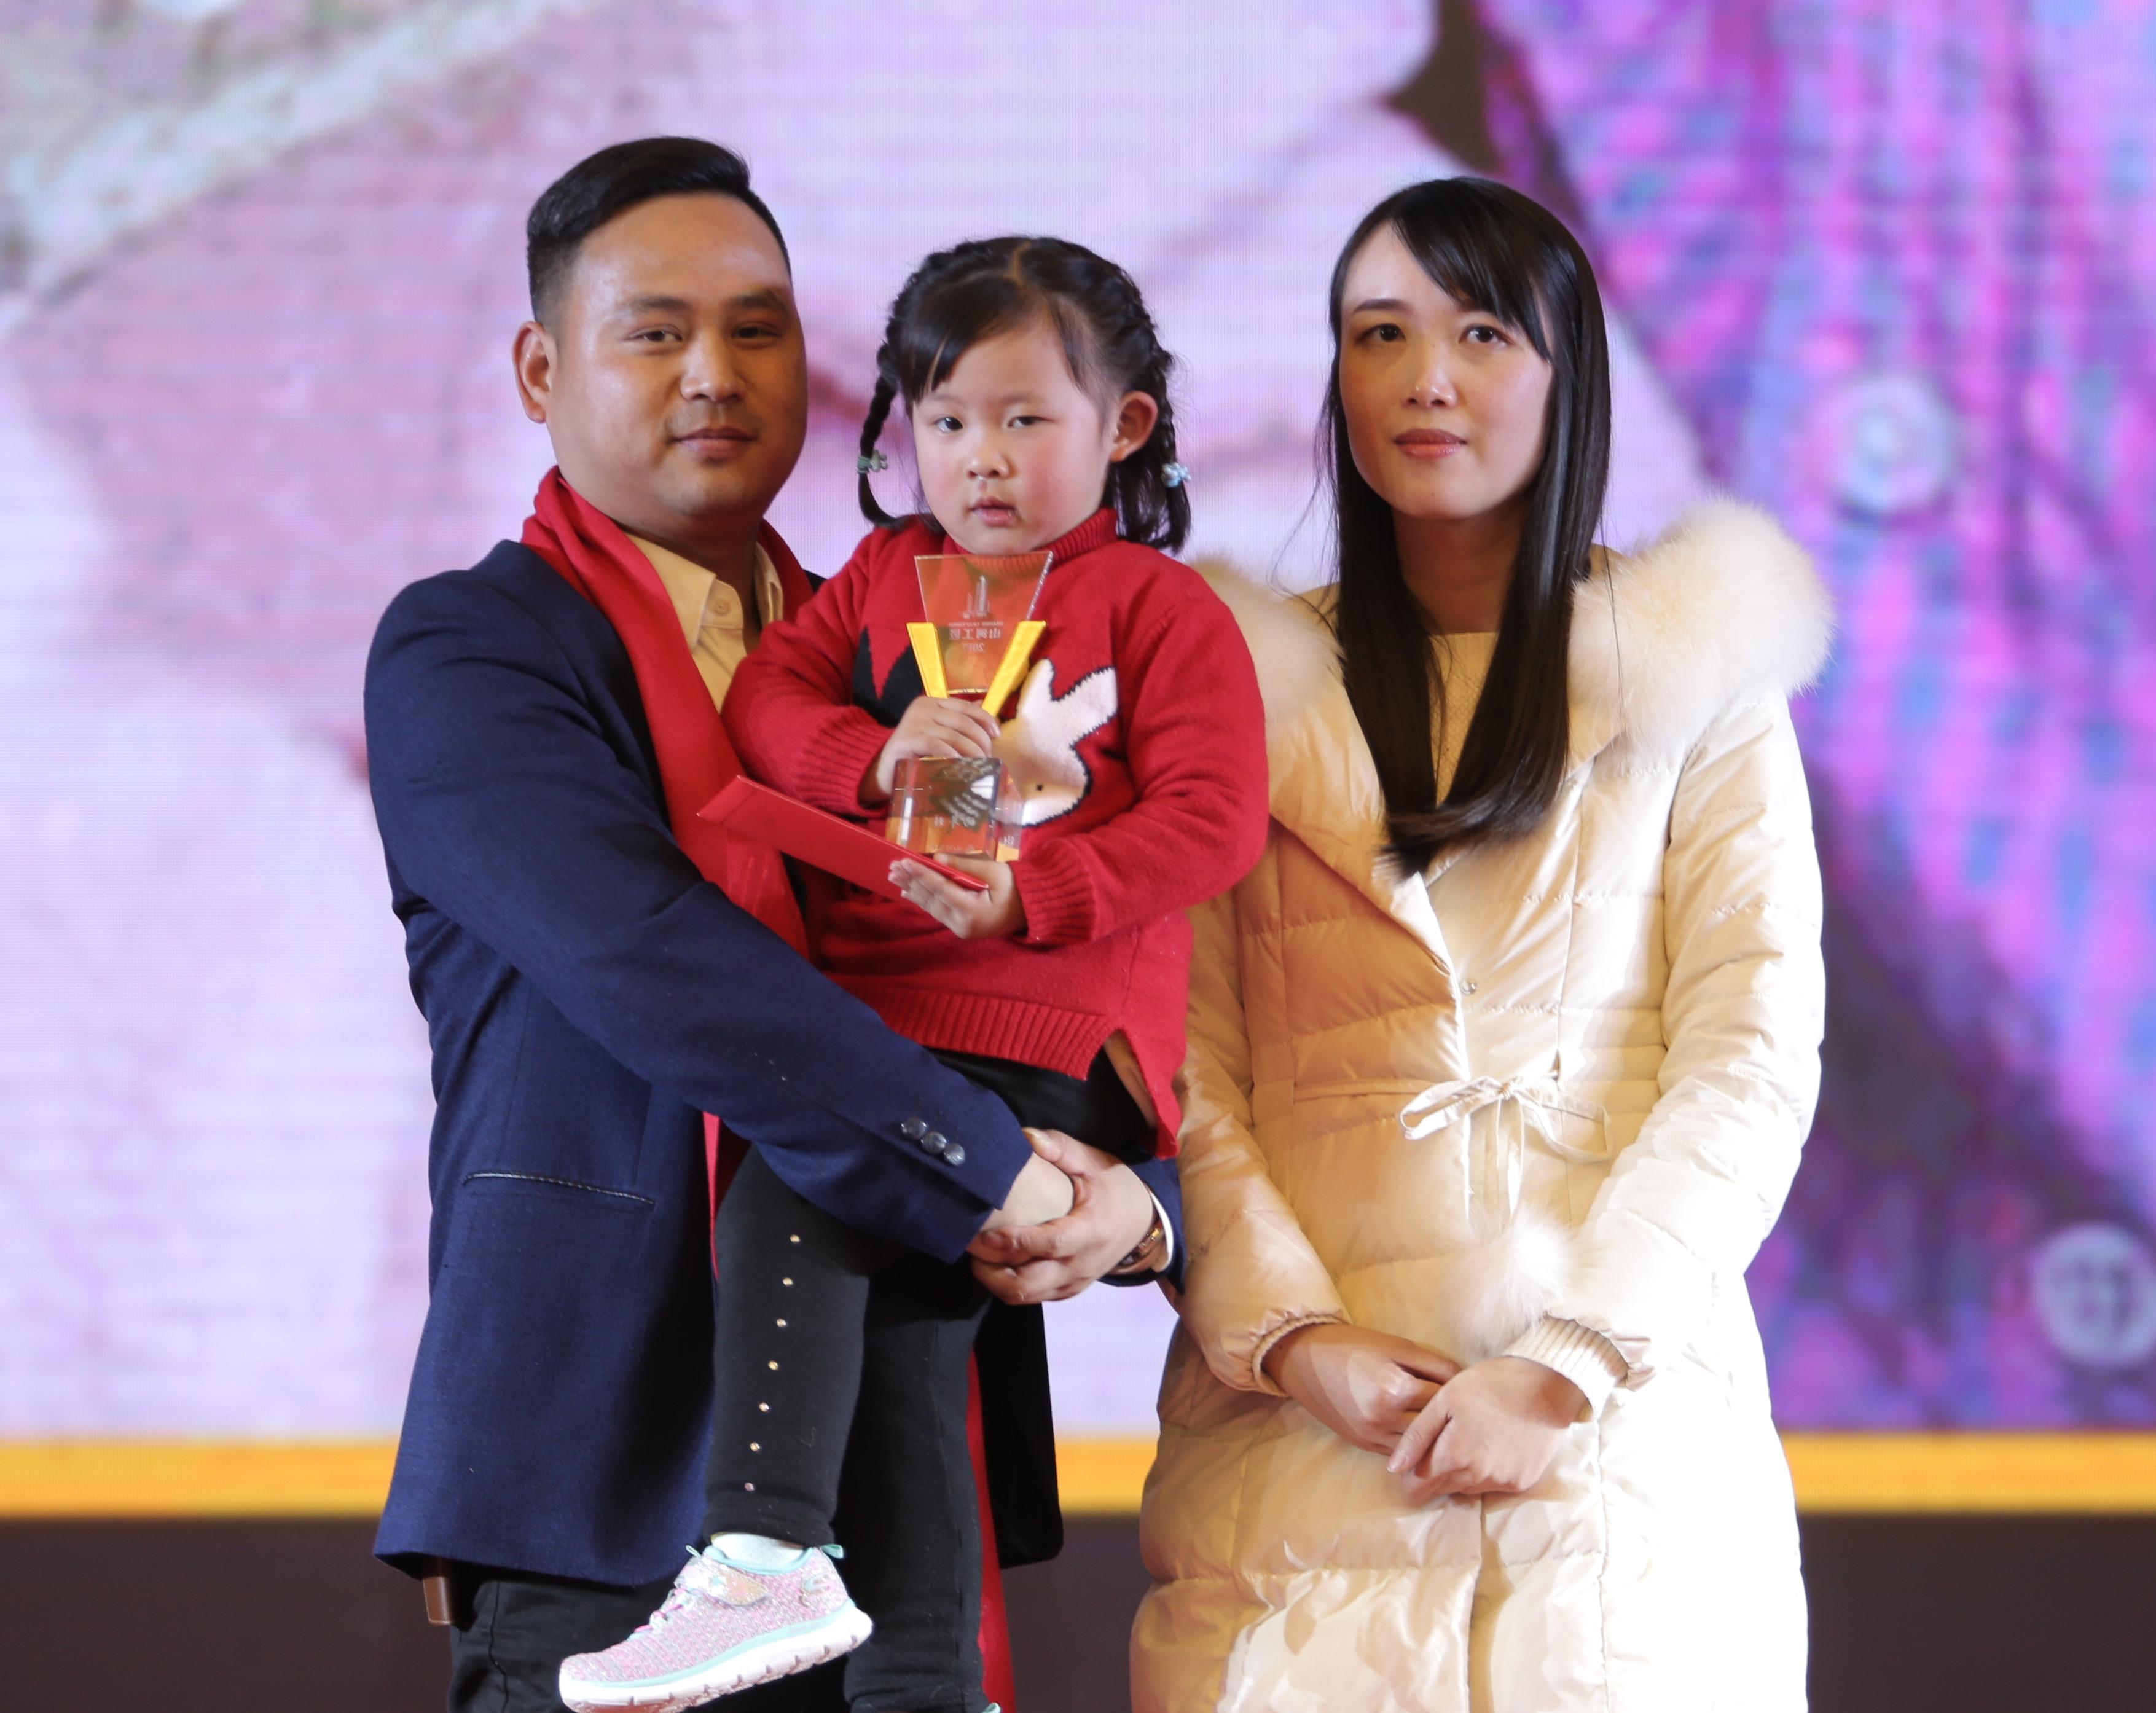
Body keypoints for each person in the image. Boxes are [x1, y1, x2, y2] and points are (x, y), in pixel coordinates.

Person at [363, 138, 1181, 1713]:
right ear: (540, 371)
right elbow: (660, 965)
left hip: (895, 1492)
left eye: (758, 329)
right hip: (601, 1485)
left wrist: (1137, 1209)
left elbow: (1090, 953)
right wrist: (992, 1166)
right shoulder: (468, 650)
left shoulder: (910, 652)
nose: (714, 373)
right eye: (654, 331)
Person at [1133, 177, 1830, 1711]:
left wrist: (1569, 1360)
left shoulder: (1696, 672)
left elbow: (1750, 1054)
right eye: (1379, 335)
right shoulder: (1236, 686)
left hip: (1622, 1454)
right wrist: (1295, 1339)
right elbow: (1180, 1070)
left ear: (1571, 374)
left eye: (1482, 334)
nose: (1425, 379)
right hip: (1306, 1449)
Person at [560, 236, 1269, 1713]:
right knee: (901, 1366)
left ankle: (761, 1550)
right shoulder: (889, 574)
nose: (980, 457)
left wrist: (1034, 893)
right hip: (888, 1018)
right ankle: (927, 1686)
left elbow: (1214, 821)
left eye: (1024, 418)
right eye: (945, 420)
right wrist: (872, 754)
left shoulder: (1160, 604)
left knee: (796, 1183)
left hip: (1044, 1031)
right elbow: (768, 698)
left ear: (1124, 426)